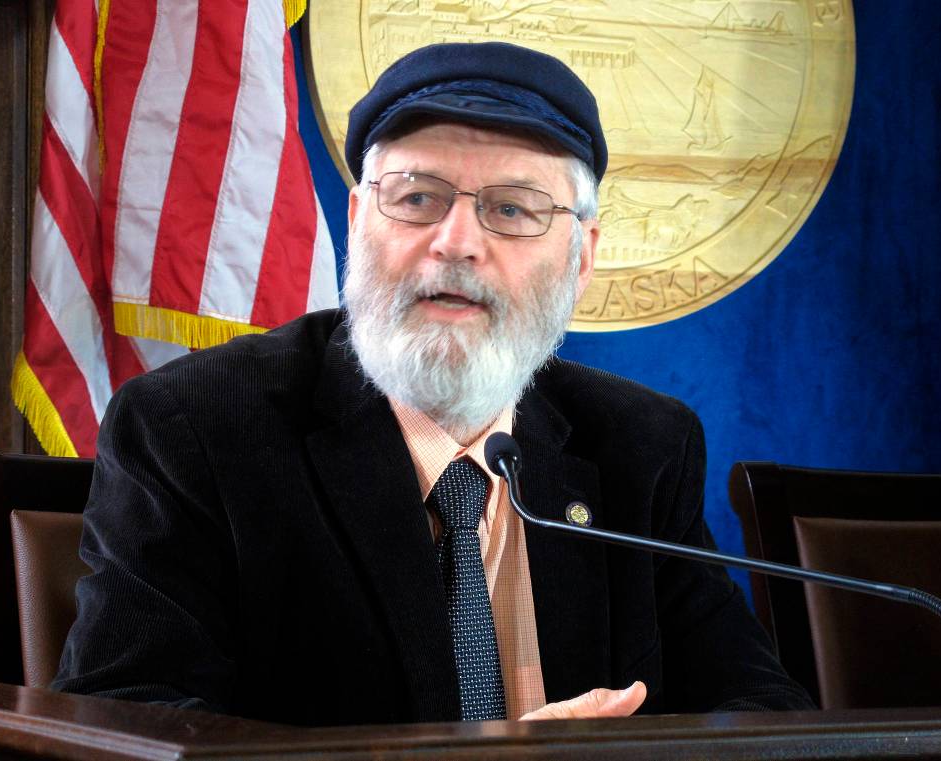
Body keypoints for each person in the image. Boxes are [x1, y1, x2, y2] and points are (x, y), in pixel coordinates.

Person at [53, 41, 813, 724]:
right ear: (357, 221)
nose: (456, 243)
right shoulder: (194, 428)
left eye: (512, 210)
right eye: (417, 198)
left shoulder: (642, 447)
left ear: (582, 259)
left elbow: (760, 710)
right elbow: (128, 722)